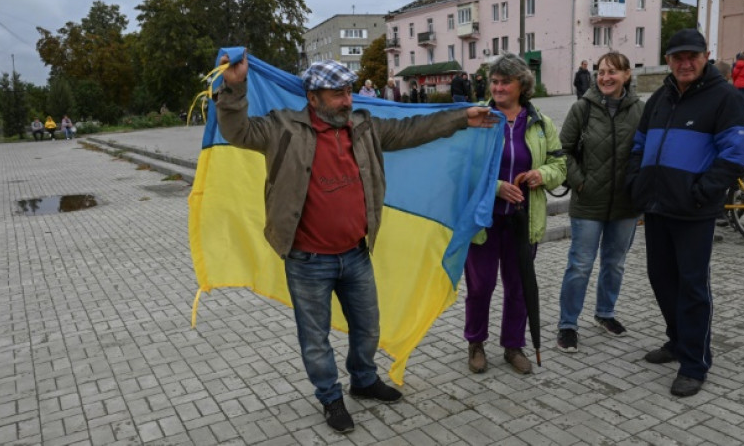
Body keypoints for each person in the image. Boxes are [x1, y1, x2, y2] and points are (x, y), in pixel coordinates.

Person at [216, 53, 498, 434]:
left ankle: (363, 380)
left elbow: (414, 129)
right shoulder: (282, 127)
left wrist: (462, 118)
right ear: (313, 97)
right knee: (315, 338)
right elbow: (236, 131)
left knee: (368, 328)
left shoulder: (364, 127)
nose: (348, 101)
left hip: (355, 254)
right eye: (338, 94)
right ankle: (330, 397)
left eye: (349, 92)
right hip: (307, 260)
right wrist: (234, 87)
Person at [627, 29, 744, 397]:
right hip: (657, 207)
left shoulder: (725, 97)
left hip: (693, 211)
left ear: (705, 56)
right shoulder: (659, 98)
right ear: (668, 60)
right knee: (662, 280)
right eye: (677, 57)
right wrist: (636, 183)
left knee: (692, 287)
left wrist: (702, 192)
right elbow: (638, 144)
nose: (685, 63)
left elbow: (734, 154)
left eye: (691, 56)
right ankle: (678, 340)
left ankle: (695, 363)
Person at [464, 52, 566, 375]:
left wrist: (541, 175)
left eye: (505, 82)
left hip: (523, 220)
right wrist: (496, 187)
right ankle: (476, 343)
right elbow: (462, 169)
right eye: (494, 82)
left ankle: (513, 345)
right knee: (480, 286)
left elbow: (560, 165)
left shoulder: (540, 123)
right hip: (484, 220)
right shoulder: (478, 119)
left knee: (519, 285)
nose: (497, 87)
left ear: (522, 84)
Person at [556, 51, 644, 353]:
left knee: (615, 263)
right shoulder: (582, 108)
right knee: (580, 265)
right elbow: (562, 150)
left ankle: (605, 312)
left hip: (626, 204)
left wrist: (639, 188)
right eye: (601, 71)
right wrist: (580, 182)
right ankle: (568, 324)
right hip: (588, 202)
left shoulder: (640, 110)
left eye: (613, 72)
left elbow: (647, 150)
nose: (606, 77)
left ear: (627, 75)